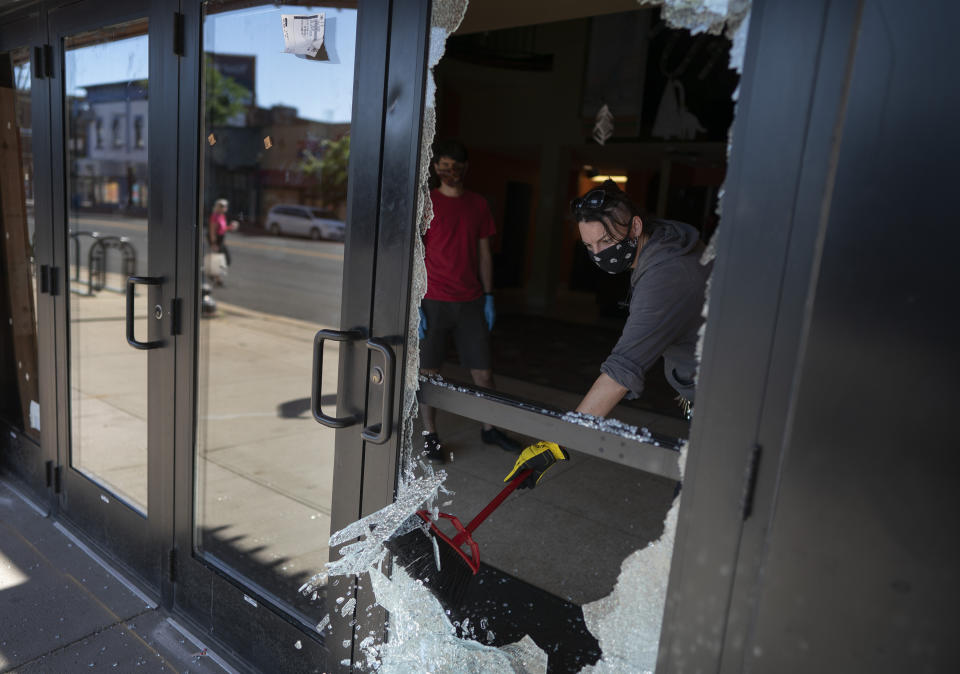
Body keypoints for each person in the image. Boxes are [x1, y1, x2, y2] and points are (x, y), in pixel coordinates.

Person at [504, 180, 711, 486]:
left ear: (636, 226)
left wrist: (556, 445)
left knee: (696, 504)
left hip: (730, 402)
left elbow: (621, 371)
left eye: (606, 240)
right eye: (589, 246)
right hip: (709, 385)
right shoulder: (663, 238)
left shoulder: (666, 279)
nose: (599, 253)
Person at [419, 140, 521, 461]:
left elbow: (484, 254)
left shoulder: (477, 205)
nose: (451, 173)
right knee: (430, 374)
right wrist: (413, 302)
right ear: (436, 169)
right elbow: (413, 252)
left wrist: (489, 296)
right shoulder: (427, 204)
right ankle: (430, 436)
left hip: (471, 302)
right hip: (432, 300)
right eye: (445, 167)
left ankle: (490, 428)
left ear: (466, 169)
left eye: (456, 168)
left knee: (483, 373)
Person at [208, 198, 239, 285]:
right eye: (221, 206)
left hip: (221, 239)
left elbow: (223, 229)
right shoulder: (215, 216)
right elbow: (212, 231)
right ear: (217, 206)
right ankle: (217, 279)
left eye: (225, 206)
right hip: (217, 240)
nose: (224, 207)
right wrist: (213, 243)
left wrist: (230, 227)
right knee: (220, 260)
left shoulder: (222, 216)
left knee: (225, 260)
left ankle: (214, 275)